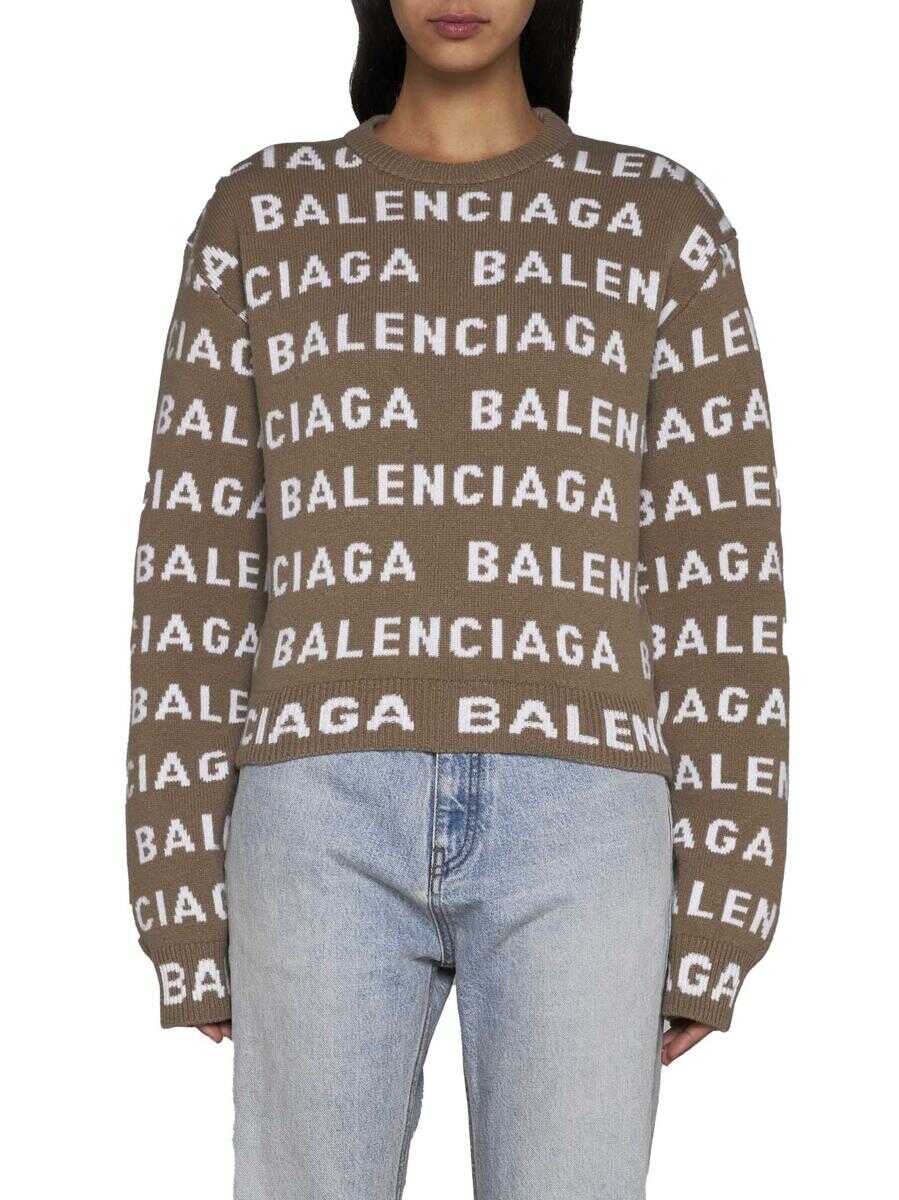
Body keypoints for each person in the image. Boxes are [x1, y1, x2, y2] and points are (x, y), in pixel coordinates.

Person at [125, 1, 789, 1195]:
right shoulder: (260, 217)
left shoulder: (659, 223)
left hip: (585, 818)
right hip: (316, 809)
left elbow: (717, 573)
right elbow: (199, 560)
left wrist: (723, 906)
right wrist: (177, 897)